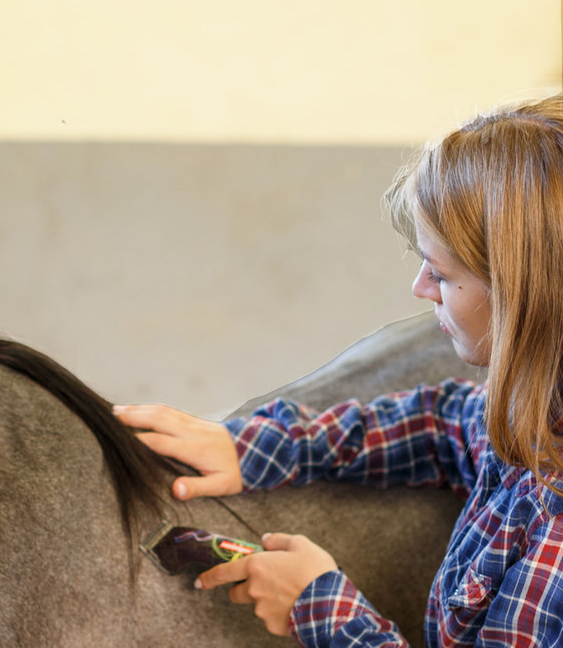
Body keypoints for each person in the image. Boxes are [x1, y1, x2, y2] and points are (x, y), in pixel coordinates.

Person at [115, 93, 563, 646]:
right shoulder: (535, 417)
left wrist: (320, 606)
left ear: (525, 297)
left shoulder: (555, 554)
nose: (419, 288)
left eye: (442, 274)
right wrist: (258, 447)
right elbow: (444, 421)